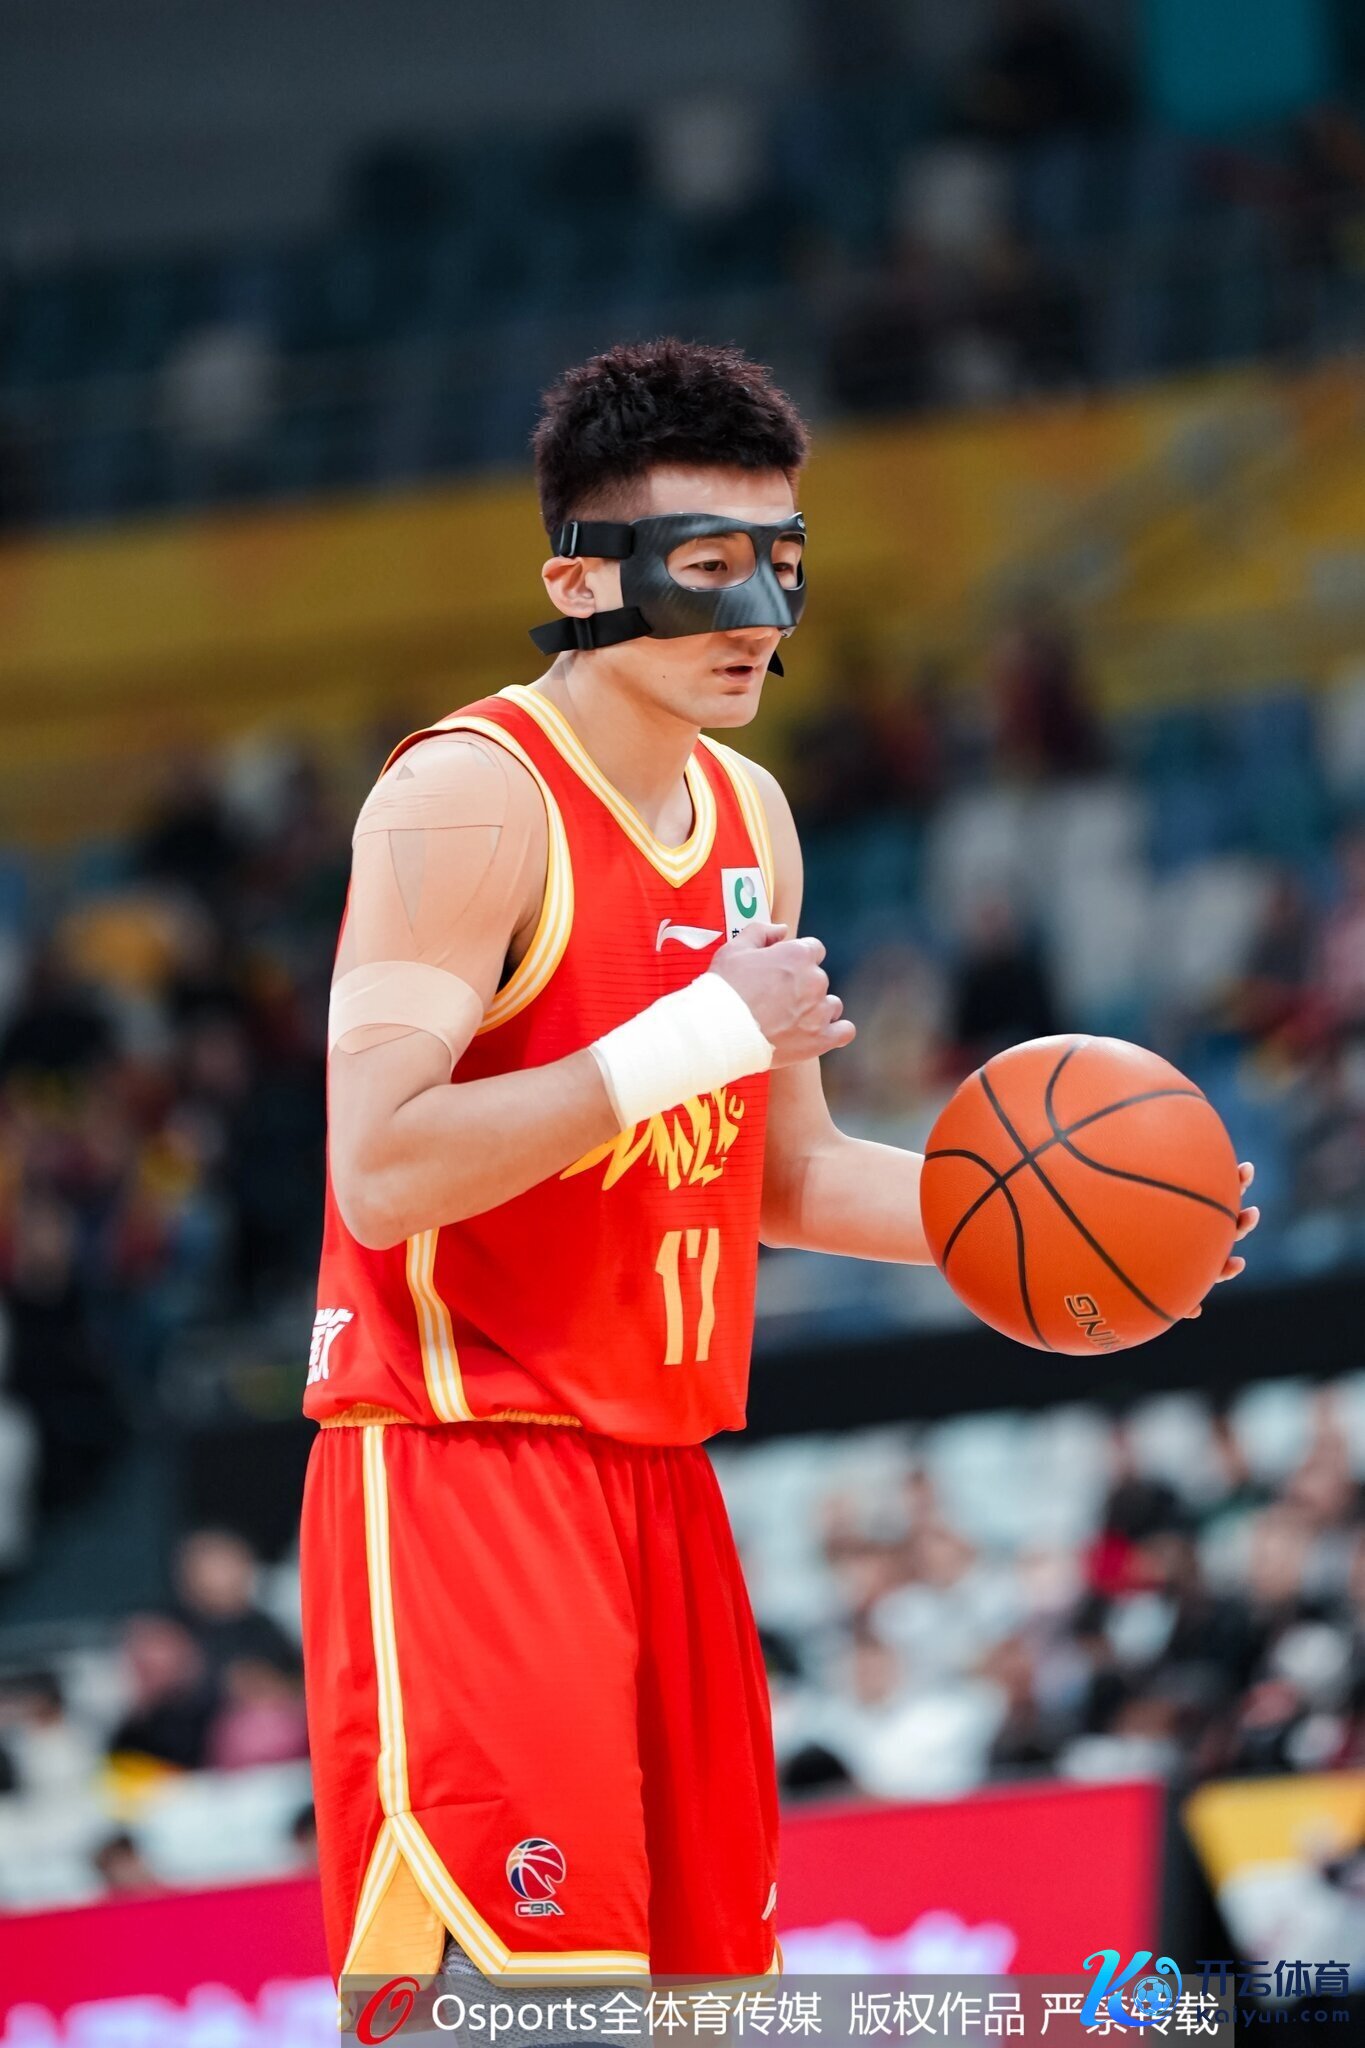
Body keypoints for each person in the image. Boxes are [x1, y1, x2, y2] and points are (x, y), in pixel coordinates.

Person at [297, 339, 1257, 2002]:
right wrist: (694, 1035)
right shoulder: (465, 800)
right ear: (579, 579)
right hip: (468, 1464)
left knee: (700, 2010)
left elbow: (778, 1175)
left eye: (782, 563)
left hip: (662, 1478)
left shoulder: (752, 818)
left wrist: (1064, 1239)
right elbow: (378, 1170)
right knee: (530, 2017)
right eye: (706, 566)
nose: (758, 613)